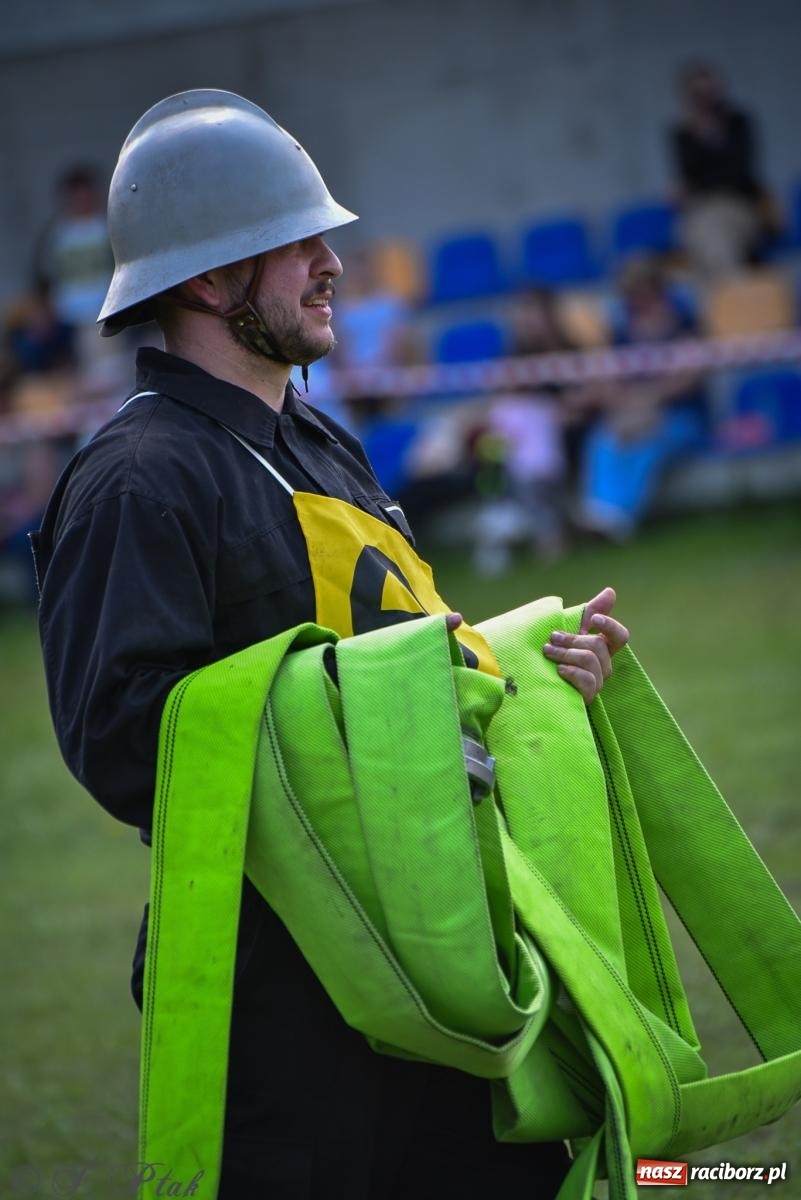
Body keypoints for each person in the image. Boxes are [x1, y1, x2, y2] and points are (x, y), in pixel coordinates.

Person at [33, 90, 629, 1199]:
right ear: (210, 280)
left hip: (437, 952)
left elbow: (401, 641)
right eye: (294, 242)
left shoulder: (318, 433)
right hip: (282, 1019)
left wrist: (530, 673)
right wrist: (355, 726)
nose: (331, 262)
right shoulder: (135, 481)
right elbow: (123, 741)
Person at [574, 258, 709, 541]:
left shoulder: (683, 326)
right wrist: (629, 410)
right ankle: (598, 512)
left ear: (657, 290)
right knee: (605, 436)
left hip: (681, 417)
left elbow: (687, 377)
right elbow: (609, 381)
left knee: (647, 442)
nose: (635, 299)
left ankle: (620, 519)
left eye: (641, 291)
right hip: (632, 414)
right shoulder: (622, 333)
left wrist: (648, 404)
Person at [669, 61, 769, 279]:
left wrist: (712, 137)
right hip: (700, 210)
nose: (705, 101)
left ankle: (735, 302)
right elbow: (688, 175)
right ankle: (730, 302)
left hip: (738, 206)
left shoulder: (739, 123)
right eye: (698, 95)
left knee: (715, 238)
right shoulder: (683, 133)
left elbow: (739, 172)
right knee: (699, 236)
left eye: (708, 94)